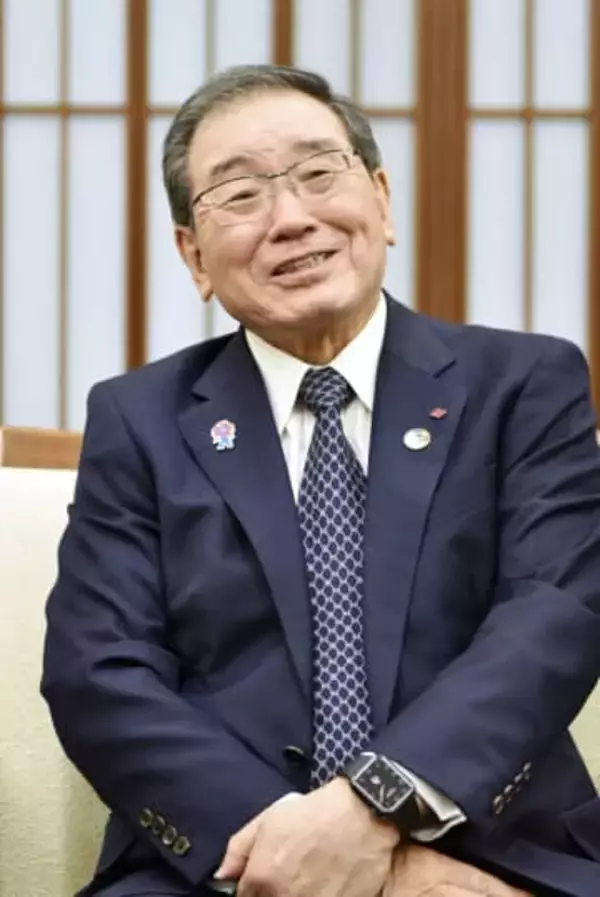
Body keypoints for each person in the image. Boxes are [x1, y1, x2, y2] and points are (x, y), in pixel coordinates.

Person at [41, 64, 600, 897]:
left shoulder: (523, 385)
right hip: (224, 865)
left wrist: (377, 807)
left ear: (381, 198)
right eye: (241, 194)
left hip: (490, 852)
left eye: (317, 172)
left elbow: (554, 616)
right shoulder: (139, 420)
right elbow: (98, 671)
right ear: (194, 256)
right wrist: (305, 855)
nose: (291, 218)